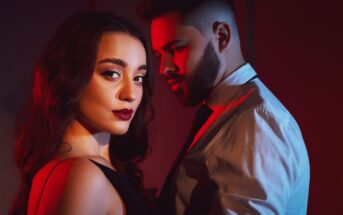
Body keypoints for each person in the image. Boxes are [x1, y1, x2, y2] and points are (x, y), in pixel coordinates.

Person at [139, 0, 310, 214]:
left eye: (176, 48)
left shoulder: (255, 123)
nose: (164, 68)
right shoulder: (231, 112)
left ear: (222, 36)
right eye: (158, 56)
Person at [10, 11, 154, 215]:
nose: (130, 94)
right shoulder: (82, 175)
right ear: (70, 76)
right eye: (111, 74)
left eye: (139, 77)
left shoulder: (88, 171)